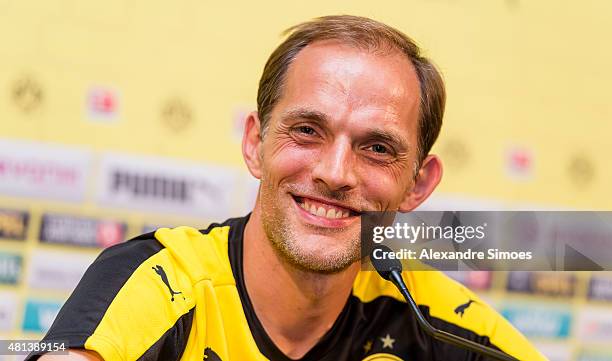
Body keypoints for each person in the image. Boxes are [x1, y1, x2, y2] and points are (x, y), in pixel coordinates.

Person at [32, 15, 545, 361]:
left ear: (418, 184)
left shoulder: (435, 321)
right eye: (306, 130)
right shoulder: (161, 281)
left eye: (378, 149)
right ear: (255, 144)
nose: (335, 172)